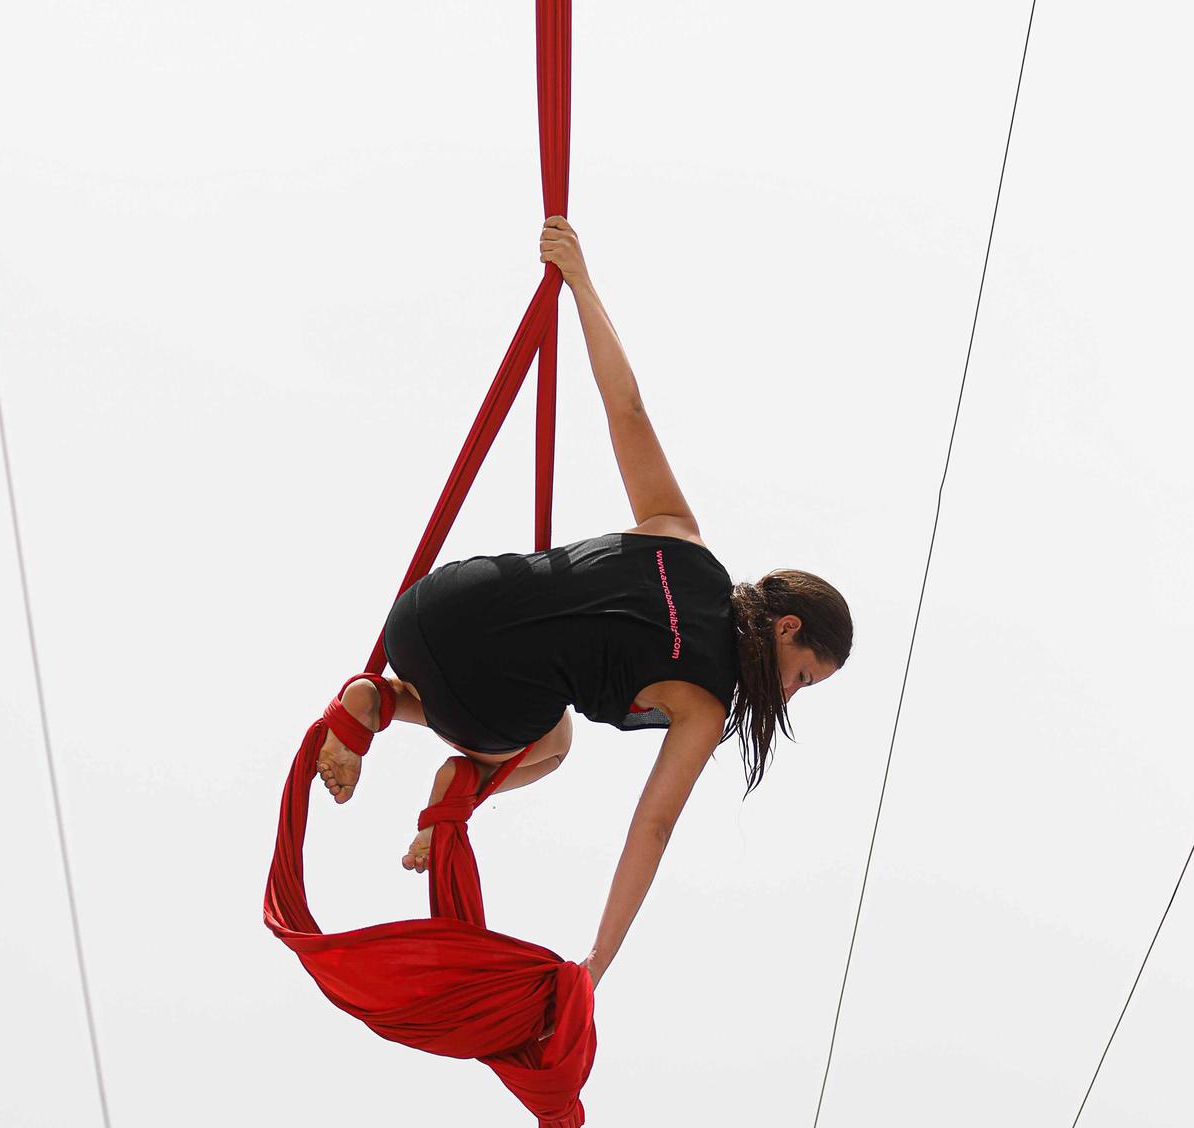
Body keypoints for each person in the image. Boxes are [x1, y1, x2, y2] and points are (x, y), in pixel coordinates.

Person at [314, 216, 852, 991]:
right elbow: (654, 826)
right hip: (485, 694)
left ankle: (379, 699)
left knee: (528, 677)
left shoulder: (684, 539)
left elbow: (626, 410)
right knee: (553, 747)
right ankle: (441, 779)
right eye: (803, 675)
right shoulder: (703, 704)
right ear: (788, 628)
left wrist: (581, 280)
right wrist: (599, 960)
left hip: (429, 606)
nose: (791, 691)